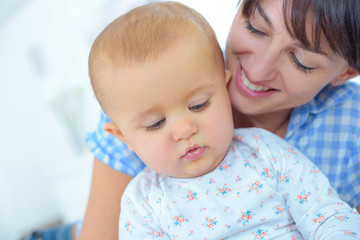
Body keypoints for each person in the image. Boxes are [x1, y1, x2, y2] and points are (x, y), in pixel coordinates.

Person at [23, 0, 360, 239]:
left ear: (345, 73)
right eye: (256, 29)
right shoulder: (138, 96)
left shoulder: (272, 151)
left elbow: (328, 214)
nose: (257, 71)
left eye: (301, 61)